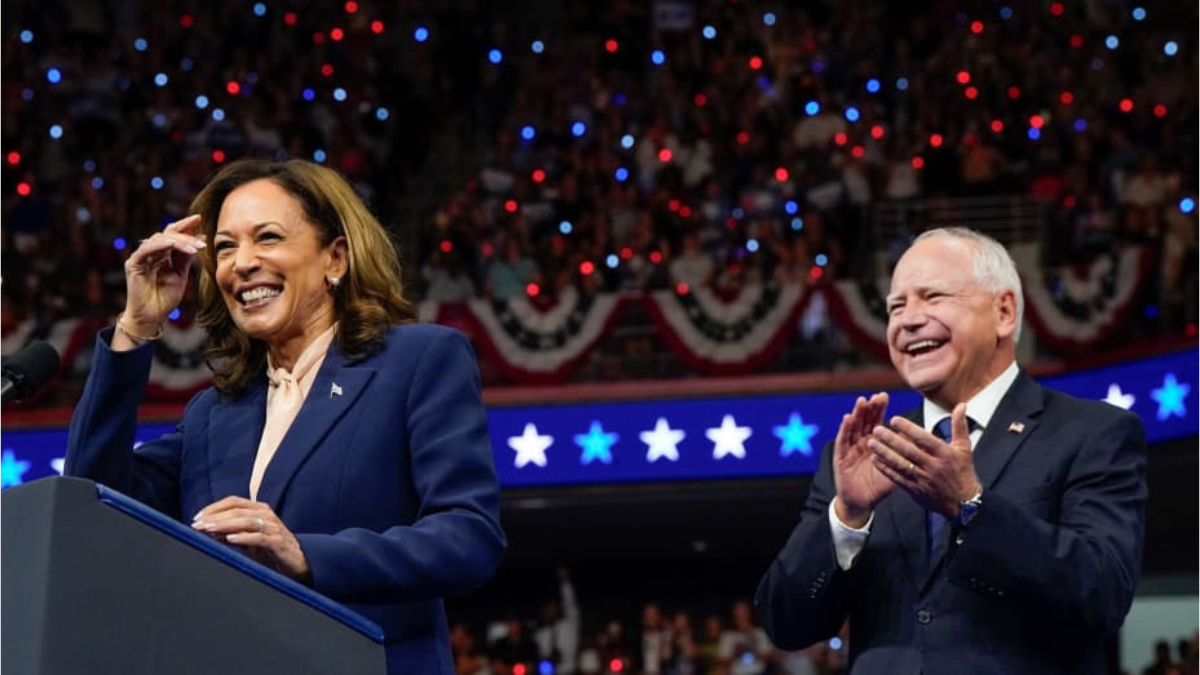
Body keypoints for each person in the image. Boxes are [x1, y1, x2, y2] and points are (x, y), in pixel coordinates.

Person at [64, 157, 507, 675]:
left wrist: (306, 556)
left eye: (267, 237)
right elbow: (93, 502)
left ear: (335, 258)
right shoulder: (213, 414)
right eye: (225, 247)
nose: (241, 263)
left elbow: (469, 537)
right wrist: (135, 327)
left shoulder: (417, 361)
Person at [755, 227, 1147, 673]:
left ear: (1003, 311)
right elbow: (785, 623)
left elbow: (1102, 597)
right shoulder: (865, 454)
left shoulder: (1092, 433)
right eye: (896, 306)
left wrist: (972, 507)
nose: (908, 320)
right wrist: (847, 518)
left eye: (933, 297)